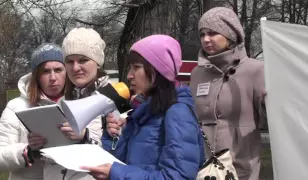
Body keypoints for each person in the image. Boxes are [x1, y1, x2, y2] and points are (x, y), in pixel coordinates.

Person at [81, 34, 204, 180]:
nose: (129, 75)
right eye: (130, 68)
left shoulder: (178, 112)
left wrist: (116, 173)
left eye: (136, 67)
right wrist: (111, 136)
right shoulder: (142, 110)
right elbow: (122, 162)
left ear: (158, 70)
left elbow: (178, 177)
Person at [190, 7, 266, 180]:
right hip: (203, 167)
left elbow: (274, 121)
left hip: (240, 167)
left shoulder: (255, 70)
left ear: (231, 35)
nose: (206, 39)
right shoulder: (197, 73)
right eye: (202, 34)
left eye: (212, 33)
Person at [43, 27, 110, 180]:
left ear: (98, 63)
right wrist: (41, 142)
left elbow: (122, 154)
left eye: (83, 60)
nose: (75, 68)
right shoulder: (63, 101)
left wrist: (85, 136)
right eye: (69, 61)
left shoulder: (115, 99)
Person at [0, 43, 66, 180]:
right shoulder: (16, 107)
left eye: (58, 70)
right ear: (36, 76)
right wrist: (28, 152)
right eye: (46, 71)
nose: (53, 77)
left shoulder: (77, 103)